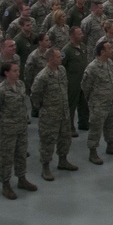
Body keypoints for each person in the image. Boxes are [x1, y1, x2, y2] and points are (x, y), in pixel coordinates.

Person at [0, 63, 38, 199]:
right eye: (14, 71)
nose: (18, 73)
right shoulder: (0, 90)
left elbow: (23, 104)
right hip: (6, 130)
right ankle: (6, 184)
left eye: (18, 70)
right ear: (6, 73)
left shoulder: (21, 85)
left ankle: (22, 178)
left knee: (21, 154)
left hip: (21, 127)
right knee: (6, 158)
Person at [30, 48, 77, 180]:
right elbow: (35, 95)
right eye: (58, 57)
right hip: (49, 115)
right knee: (48, 141)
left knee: (65, 138)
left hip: (63, 111)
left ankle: (63, 160)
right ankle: (45, 167)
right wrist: (43, 109)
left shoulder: (61, 70)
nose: (61, 58)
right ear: (50, 59)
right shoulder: (42, 76)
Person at [81, 41, 113, 165]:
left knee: (111, 124)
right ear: (102, 52)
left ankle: (110, 145)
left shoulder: (110, 63)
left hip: (111, 101)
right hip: (98, 103)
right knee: (96, 127)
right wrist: (93, 100)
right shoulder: (92, 68)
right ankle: (93, 151)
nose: (112, 50)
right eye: (109, 48)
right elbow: (85, 87)